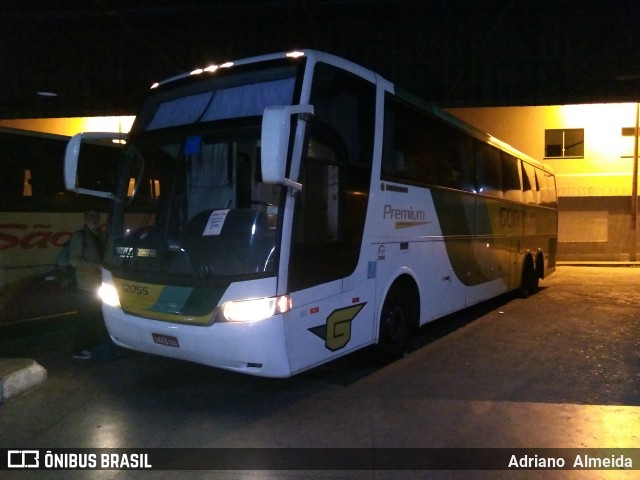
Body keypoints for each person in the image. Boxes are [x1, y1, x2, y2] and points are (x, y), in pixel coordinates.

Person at [69, 209, 106, 360]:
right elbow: (74, 260)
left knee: (96, 317)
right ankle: (79, 349)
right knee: (85, 318)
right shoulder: (80, 236)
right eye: (91, 216)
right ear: (85, 218)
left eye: (97, 216)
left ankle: (91, 346)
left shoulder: (102, 235)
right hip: (86, 285)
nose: (94, 219)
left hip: (100, 284)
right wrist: (96, 266)